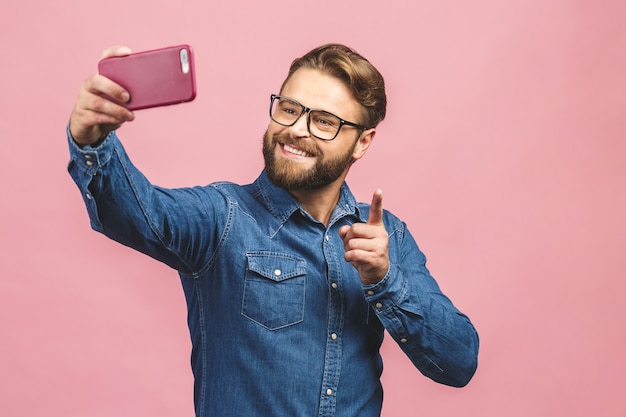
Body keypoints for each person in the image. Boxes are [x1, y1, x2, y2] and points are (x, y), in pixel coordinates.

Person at [67, 43, 479, 417]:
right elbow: (136, 211)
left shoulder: (387, 238)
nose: (297, 129)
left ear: (363, 142)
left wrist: (385, 281)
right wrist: (93, 142)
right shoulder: (222, 217)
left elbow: (459, 362)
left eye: (323, 121)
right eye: (288, 109)